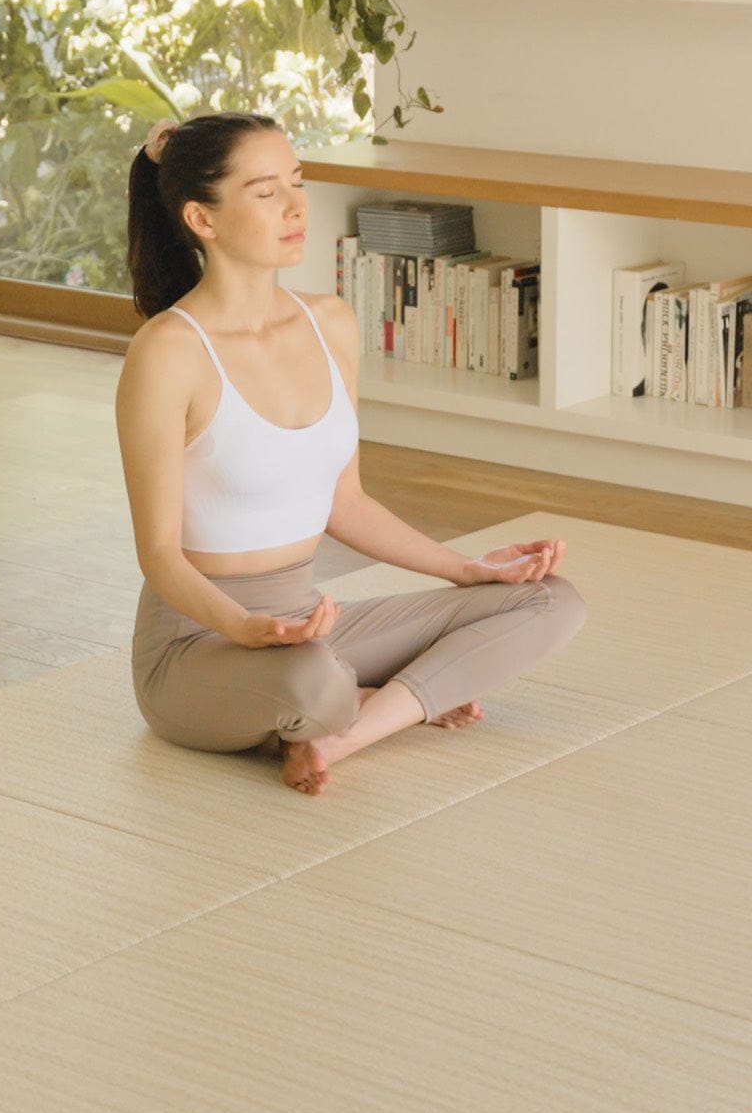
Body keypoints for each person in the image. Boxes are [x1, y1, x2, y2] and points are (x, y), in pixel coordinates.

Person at [116, 112, 586, 796]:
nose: (296, 205)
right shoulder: (166, 353)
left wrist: (467, 570)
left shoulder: (329, 321)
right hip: (197, 644)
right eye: (266, 191)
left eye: (298, 182)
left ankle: (349, 729)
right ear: (203, 218)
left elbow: (345, 501)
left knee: (551, 602)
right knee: (314, 678)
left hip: (308, 625)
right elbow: (158, 554)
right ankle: (381, 700)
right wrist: (248, 629)